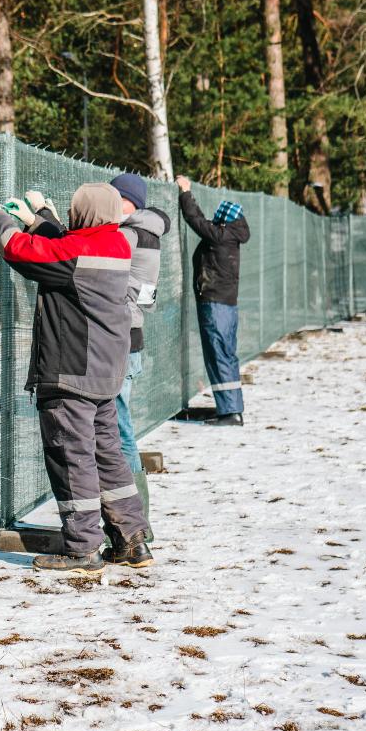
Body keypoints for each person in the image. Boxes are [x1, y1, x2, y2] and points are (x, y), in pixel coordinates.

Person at [0, 184, 153, 573]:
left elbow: (24, 252)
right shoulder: (116, 244)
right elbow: (65, 248)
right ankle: (132, 540)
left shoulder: (78, 254)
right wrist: (38, 220)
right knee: (108, 457)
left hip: (72, 371)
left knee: (72, 457)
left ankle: (83, 548)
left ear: (83, 214)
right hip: (105, 373)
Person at [110, 174, 171, 532]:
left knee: (120, 432)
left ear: (128, 200)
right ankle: (135, 518)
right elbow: (147, 298)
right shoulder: (149, 234)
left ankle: (137, 521)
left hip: (121, 339)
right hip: (132, 336)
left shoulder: (129, 234)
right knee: (119, 427)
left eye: (115, 197)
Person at [176, 175, 251, 426]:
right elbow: (203, 221)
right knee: (225, 354)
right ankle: (230, 408)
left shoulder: (220, 236)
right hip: (226, 305)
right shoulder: (229, 235)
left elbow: (195, 220)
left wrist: (186, 193)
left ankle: (229, 412)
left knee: (219, 354)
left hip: (216, 304)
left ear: (224, 219)